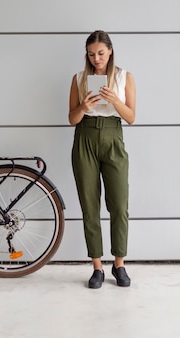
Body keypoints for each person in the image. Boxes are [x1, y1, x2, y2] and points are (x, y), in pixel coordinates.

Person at [68, 30, 136, 289]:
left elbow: (130, 116)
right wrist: (84, 107)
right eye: (91, 54)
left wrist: (114, 100)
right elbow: (71, 119)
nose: (96, 58)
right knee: (89, 205)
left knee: (119, 204)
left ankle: (119, 264)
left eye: (101, 53)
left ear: (110, 51)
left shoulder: (124, 76)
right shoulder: (78, 78)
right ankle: (97, 266)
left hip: (113, 136)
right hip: (84, 136)